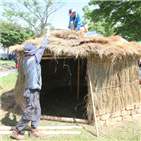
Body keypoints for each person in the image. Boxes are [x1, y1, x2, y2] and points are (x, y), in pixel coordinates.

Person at [11, 26, 50, 140]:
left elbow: (35, 51)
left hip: (32, 90)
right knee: (29, 112)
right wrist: (47, 34)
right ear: (32, 53)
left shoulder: (25, 61)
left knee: (37, 109)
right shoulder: (34, 59)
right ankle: (16, 131)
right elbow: (42, 47)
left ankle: (33, 130)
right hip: (31, 91)